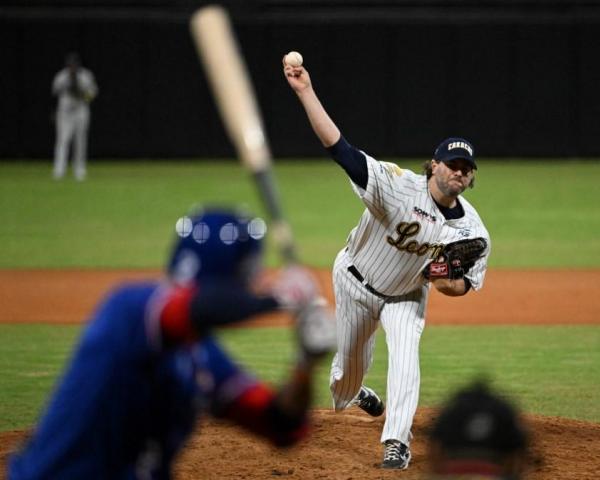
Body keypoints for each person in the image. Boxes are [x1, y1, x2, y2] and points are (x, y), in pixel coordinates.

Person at [7, 207, 336, 479]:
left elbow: (282, 424)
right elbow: (194, 307)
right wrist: (279, 298)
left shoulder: (202, 357)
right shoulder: (130, 310)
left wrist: (306, 363)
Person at [283, 58, 491, 470]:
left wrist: (443, 277)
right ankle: (356, 389)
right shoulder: (395, 186)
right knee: (345, 381)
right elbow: (339, 149)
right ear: (434, 164)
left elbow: (462, 286)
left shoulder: (472, 230)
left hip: (407, 296)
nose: (459, 174)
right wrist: (305, 91)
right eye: (453, 165)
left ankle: (396, 440)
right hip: (355, 281)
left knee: (406, 359)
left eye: (466, 170)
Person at [428, 382, 530, 479]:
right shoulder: (502, 412)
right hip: (492, 470)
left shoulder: (452, 411)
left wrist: (439, 472)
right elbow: (519, 447)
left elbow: (435, 443)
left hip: (454, 468)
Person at [51, 52, 98, 181]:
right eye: (70, 65)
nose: (72, 67)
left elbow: (93, 93)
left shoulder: (85, 76)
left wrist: (84, 95)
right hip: (65, 112)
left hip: (81, 110)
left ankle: (79, 170)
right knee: (63, 140)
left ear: (78, 65)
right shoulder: (61, 77)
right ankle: (59, 170)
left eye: (74, 65)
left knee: (80, 141)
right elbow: (54, 92)